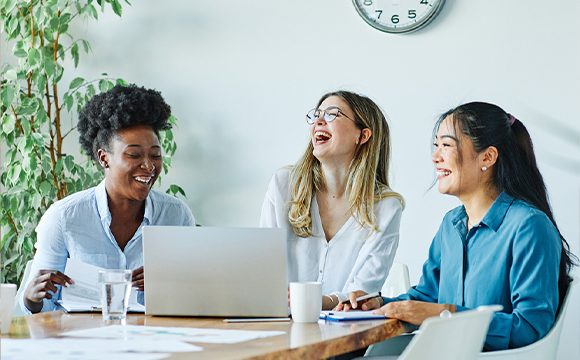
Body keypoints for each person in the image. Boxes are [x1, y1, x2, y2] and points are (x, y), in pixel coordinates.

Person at [337, 102, 576, 351]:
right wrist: (378, 303)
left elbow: (530, 328)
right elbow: (426, 297)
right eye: (436, 145)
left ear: (488, 157)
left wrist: (444, 313)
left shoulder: (529, 227)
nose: (435, 156)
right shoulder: (451, 225)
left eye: (447, 145)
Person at [20, 84, 195, 314]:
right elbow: (43, 308)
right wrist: (31, 300)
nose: (149, 166)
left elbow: (195, 296)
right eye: (134, 155)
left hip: (154, 338)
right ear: (104, 158)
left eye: (155, 155)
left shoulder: (177, 216)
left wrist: (169, 285)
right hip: (83, 341)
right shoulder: (64, 218)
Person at [260, 90, 404, 311]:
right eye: (316, 115)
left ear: (362, 136)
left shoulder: (386, 208)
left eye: (331, 114)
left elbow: (361, 295)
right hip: (279, 327)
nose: (318, 121)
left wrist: (318, 302)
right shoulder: (283, 186)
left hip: (346, 336)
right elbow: (264, 272)